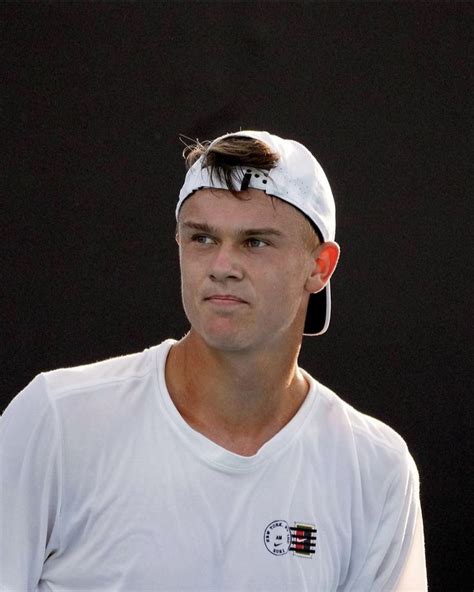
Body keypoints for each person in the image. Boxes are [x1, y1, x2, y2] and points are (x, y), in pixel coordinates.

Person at [0, 130, 427, 591]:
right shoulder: (56, 419)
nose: (222, 265)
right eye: (202, 238)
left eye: (255, 242)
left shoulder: (376, 470)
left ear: (319, 267)